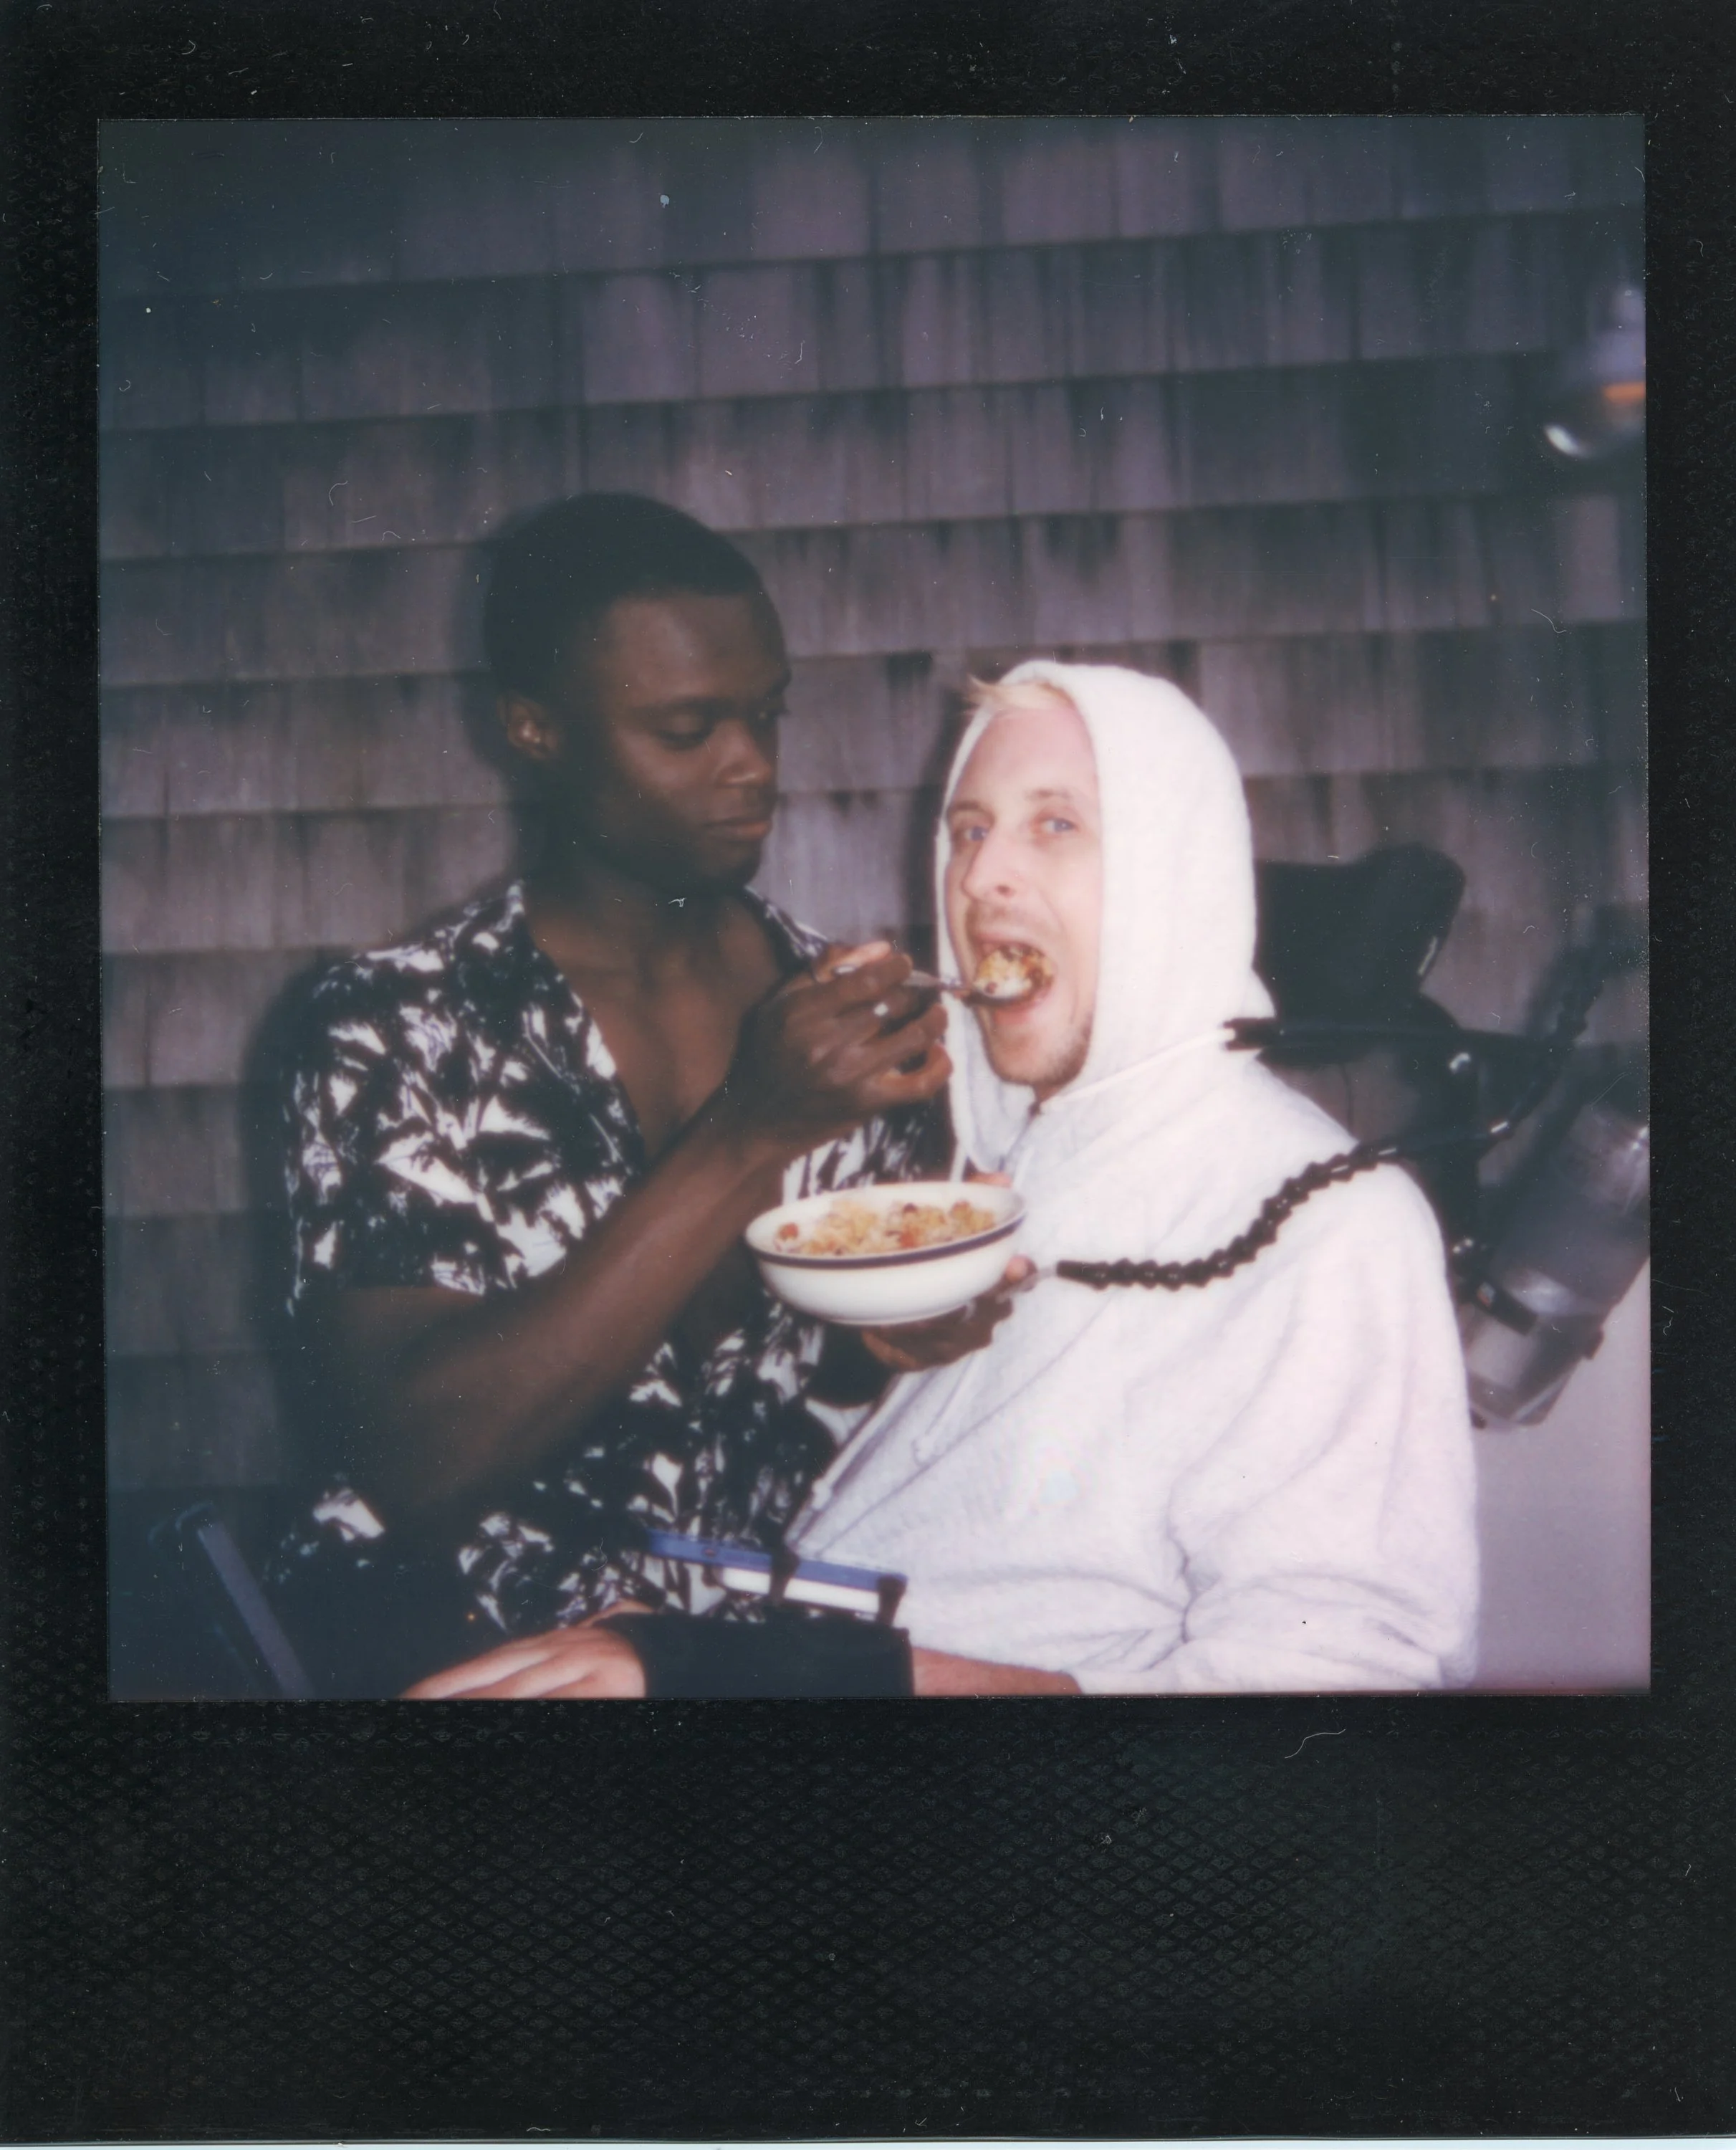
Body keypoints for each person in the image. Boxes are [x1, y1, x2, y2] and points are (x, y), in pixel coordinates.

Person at [409, 660, 1478, 1698]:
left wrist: (756, 1675)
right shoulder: (1019, 1169)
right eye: (968, 829)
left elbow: (1351, 1672)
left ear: (1175, 873)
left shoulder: (1330, 1222)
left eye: (1055, 824)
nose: (980, 877)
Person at [267, 493, 1016, 1696]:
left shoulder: (837, 1010)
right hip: (447, 1652)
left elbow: (805, 1390)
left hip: (730, 1658)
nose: (753, 766)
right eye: (687, 730)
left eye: (767, 713)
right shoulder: (388, 1027)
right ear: (534, 730)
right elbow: (415, 1455)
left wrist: (898, 1337)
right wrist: (747, 1133)